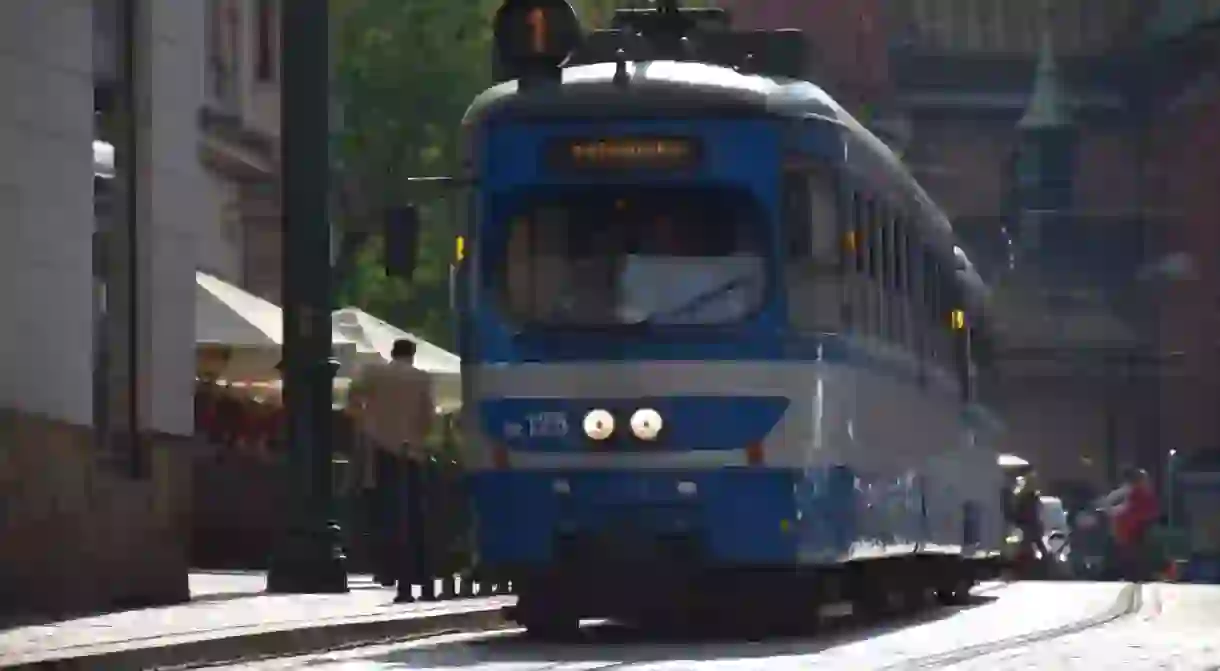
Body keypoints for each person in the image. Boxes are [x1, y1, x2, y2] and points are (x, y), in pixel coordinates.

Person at [347, 339, 436, 598]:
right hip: (412, 453)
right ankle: (421, 580)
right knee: (413, 516)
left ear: (392, 353)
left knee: (384, 511)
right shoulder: (422, 378)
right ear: (412, 355)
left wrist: (365, 421)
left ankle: (390, 571)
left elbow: (352, 399)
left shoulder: (375, 373)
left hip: (380, 449)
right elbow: (428, 418)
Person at [1103, 468, 1159, 581]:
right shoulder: (1132, 492)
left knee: (1133, 554)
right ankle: (1133, 575)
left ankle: (1134, 574)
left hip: (1135, 529)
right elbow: (1111, 506)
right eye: (1144, 479)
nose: (1147, 482)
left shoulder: (1140, 493)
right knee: (1132, 554)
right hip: (1131, 529)